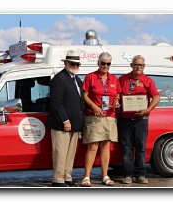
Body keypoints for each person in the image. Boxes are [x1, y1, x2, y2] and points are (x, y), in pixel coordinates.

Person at [118, 55, 160, 184]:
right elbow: (118, 94)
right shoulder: (123, 79)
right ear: (131, 65)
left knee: (141, 148)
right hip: (125, 119)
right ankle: (128, 175)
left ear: (144, 67)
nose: (138, 67)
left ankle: (140, 174)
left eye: (141, 65)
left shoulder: (148, 81)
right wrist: (116, 101)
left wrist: (148, 110)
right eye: (136, 64)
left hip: (141, 119)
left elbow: (156, 97)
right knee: (127, 148)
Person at [81, 52, 121, 187]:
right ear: (98, 63)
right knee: (92, 147)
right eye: (103, 63)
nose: (105, 66)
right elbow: (84, 95)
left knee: (106, 147)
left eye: (108, 64)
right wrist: (93, 106)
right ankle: (87, 176)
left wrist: (116, 101)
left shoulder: (114, 79)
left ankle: (105, 175)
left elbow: (118, 94)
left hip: (109, 116)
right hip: (94, 116)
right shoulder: (90, 77)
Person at [46, 50, 84, 187]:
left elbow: (80, 102)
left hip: (75, 124)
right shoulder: (59, 79)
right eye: (72, 63)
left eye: (77, 64)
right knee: (60, 152)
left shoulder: (77, 80)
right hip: (61, 124)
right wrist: (65, 120)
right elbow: (56, 103)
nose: (75, 66)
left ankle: (67, 176)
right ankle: (58, 179)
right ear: (66, 63)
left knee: (70, 154)